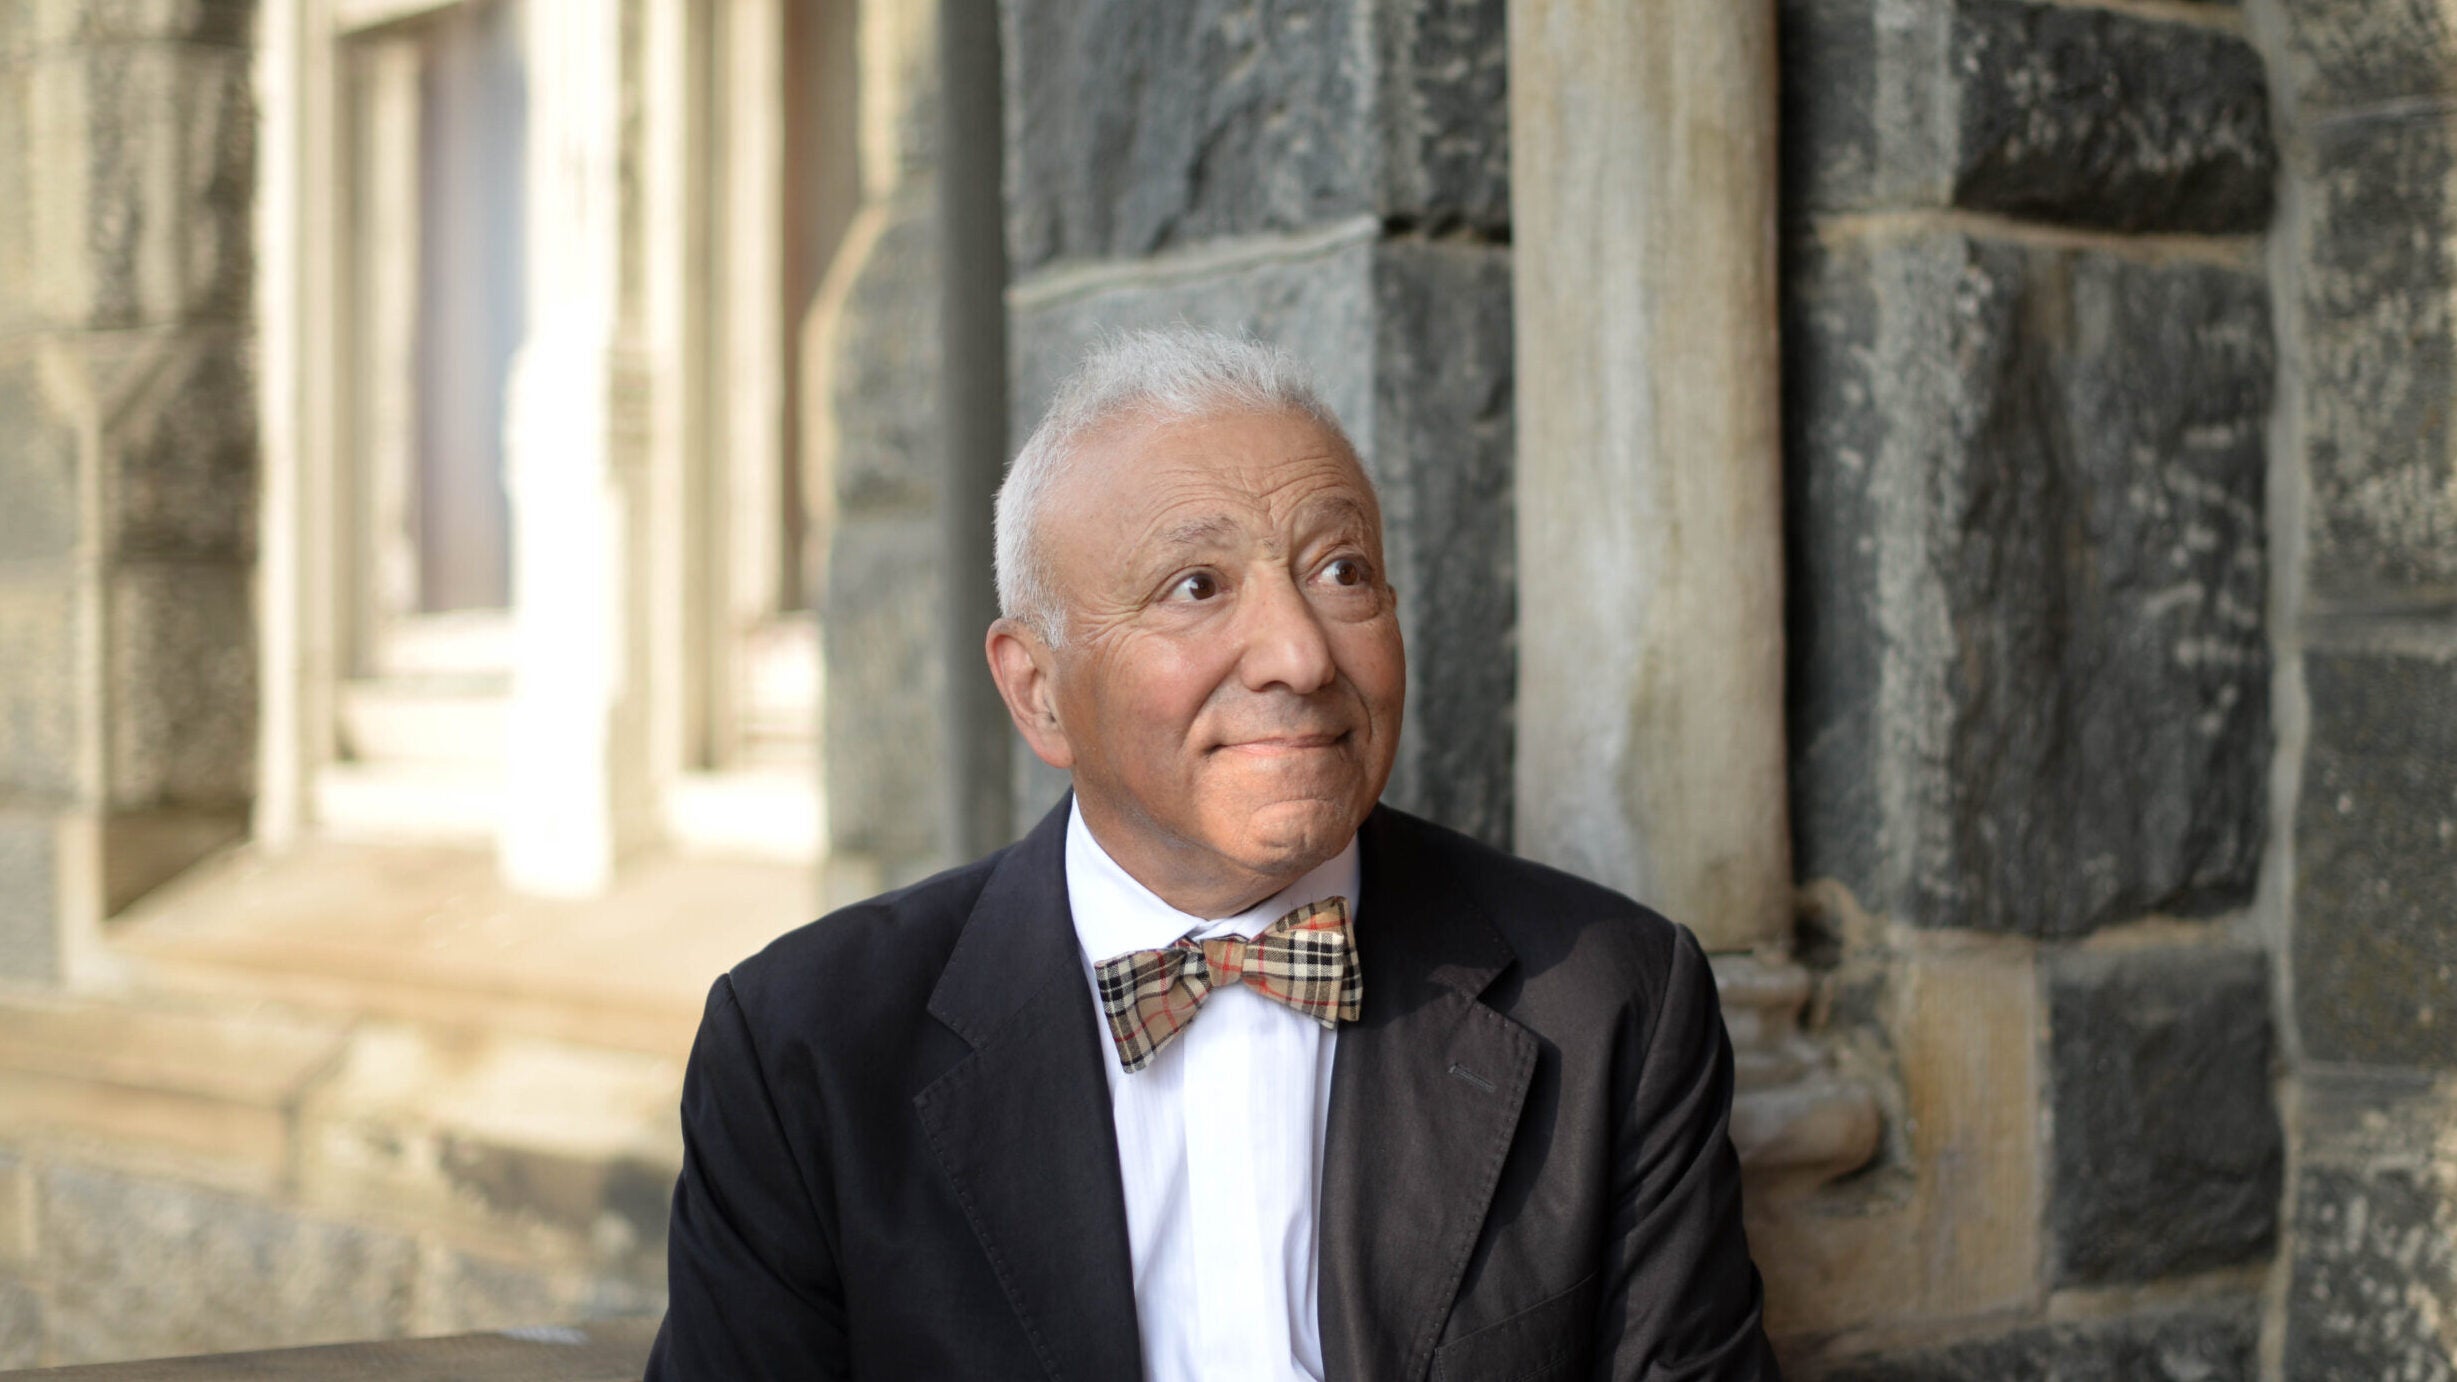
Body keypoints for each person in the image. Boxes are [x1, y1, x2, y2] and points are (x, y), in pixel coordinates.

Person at [646, 329, 1780, 1381]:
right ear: (1039, 691)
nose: (1297, 652)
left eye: (1341, 572)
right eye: (1197, 587)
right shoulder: (806, 1046)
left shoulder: (1607, 1000)